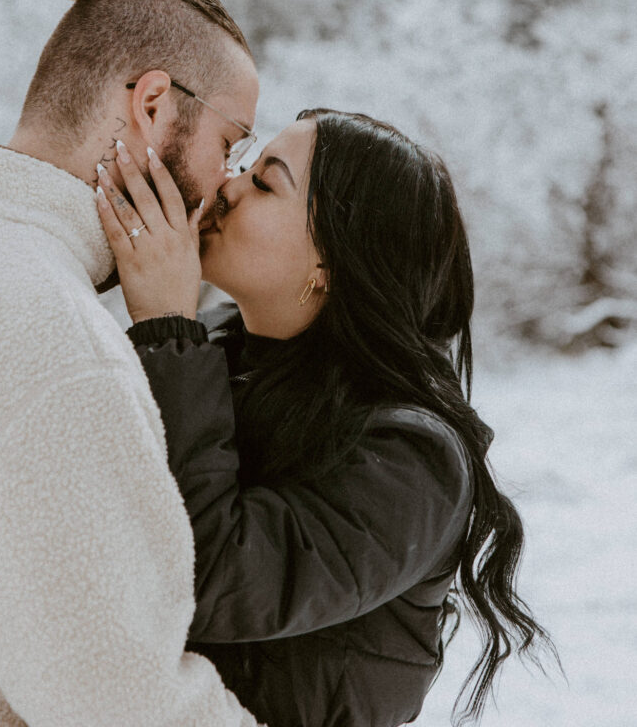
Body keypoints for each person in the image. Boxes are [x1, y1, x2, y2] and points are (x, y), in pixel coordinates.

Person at [95, 110, 559, 727]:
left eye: (265, 183)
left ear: (331, 264)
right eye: (243, 166)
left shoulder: (412, 459)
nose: (227, 187)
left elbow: (201, 579)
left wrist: (165, 330)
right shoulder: (211, 359)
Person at [0, 0, 264, 726]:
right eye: (229, 144)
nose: (222, 187)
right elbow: (119, 705)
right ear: (151, 104)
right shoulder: (53, 346)